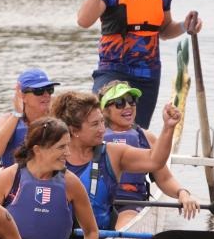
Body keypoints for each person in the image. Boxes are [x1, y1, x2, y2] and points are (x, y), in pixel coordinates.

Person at [76, 0, 202, 130]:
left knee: (136, 132)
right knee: (98, 125)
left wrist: (184, 26)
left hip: (147, 74)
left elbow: (164, 30)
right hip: (112, 69)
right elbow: (83, 20)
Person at [52, 91, 181, 231]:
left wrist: (168, 127)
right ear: (74, 130)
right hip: (58, 236)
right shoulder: (51, 155)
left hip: (99, 235)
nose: (102, 129)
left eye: (102, 121)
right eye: (95, 124)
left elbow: (155, 161)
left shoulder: (113, 153)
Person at [0, 117, 98, 239]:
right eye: (61, 147)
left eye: (68, 146)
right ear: (38, 149)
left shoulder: (71, 183)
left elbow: (91, 232)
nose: (68, 153)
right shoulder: (8, 178)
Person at [99, 81, 200, 228]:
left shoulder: (147, 138)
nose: (128, 106)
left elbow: (165, 178)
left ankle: (120, 236)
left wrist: (182, 193)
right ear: (104, 110)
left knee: (123, 226)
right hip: (98, 202)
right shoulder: (93, 137)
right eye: (119, 103)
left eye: (131, 100)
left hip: (130, 204)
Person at [0, 67, 60, 169]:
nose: (46, 95)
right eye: (39, 91)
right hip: (14, 176)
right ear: (22, 96)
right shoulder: (6, 120)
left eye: (49, 90)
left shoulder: (58, 118)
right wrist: (17, 114)